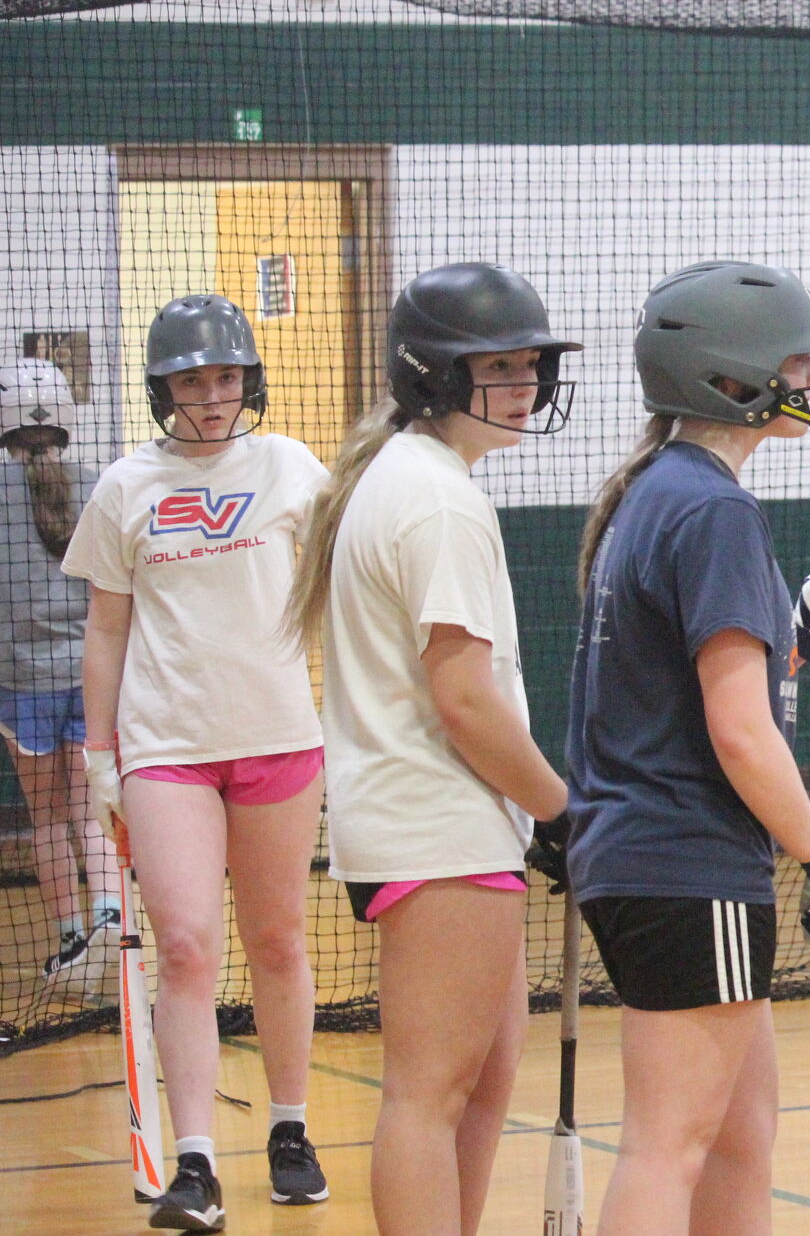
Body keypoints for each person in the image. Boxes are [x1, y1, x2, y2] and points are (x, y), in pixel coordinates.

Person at [564, 262, 810, 1236]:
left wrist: (795, 640)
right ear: (732, 380)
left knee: (741, 1133)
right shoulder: (715, 510)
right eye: (797, 359)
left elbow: (684, 691)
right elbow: (738, 732)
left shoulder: (655, 492)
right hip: (687, 863)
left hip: (645, 861)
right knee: (669, 1147)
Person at [278, 262, 579, 1236]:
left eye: (531, 364)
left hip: (452, 829)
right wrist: (559, 808)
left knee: (482, 1079)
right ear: (435, 376)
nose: (525, 385)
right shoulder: (437, 500)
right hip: (438, 830)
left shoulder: (410, 478)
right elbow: (464, 699)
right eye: (501, 365)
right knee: (429, 1093)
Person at [63, 296, 331, 1231]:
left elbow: (348, 584)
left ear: (248, 380)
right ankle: (195, 1163)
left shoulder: (292, 467)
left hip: (279, 741)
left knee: (280, 940)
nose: (211, 396)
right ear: (162, 387)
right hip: (167, 748)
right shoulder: (124, 486)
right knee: (183, 947)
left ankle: (291, 1131)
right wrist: (101, 755)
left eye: (224, 377)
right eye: (191, 379)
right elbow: (105, 629)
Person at [0, 358, 117, 1003]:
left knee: (46, 817)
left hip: (21, 685)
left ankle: (73, 938)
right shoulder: (99, 486)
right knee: (89, 803)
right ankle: (109, 917)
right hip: (93, 676)